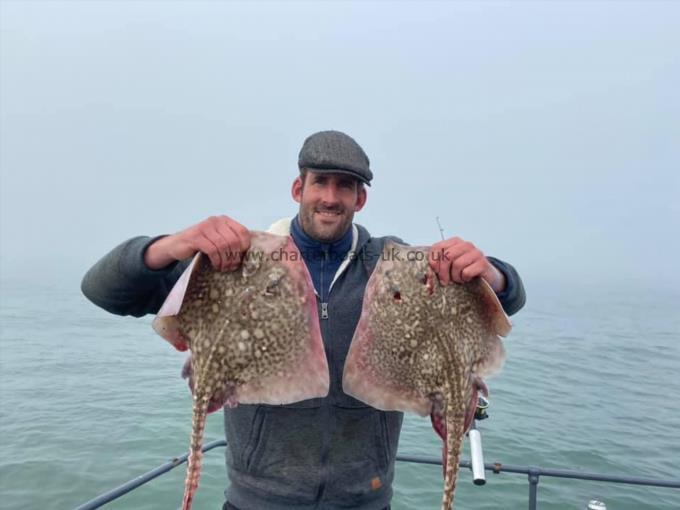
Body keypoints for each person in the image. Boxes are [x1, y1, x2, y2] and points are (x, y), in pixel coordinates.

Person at [81, 130, 526, 510]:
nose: (330, 197)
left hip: (366, 499)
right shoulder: (237, 262)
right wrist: (170, 245)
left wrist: (491, 272)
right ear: (299, 189)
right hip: (257, 499)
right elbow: (103, 290)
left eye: (344, 186)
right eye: (320, 183)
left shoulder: (395, 266)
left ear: (360, 198)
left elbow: (510, 296)